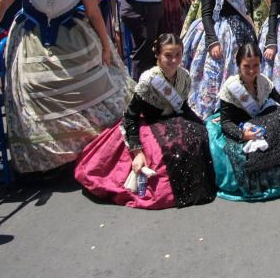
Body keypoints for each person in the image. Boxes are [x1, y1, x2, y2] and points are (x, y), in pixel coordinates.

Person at [0, 0, 131, 174]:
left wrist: (105, 45)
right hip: (31, 35)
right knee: (33, 89)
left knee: (85, 90)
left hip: (71, 35)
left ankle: (85, 149)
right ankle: (47, 160)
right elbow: (0, 3)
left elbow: (94, 14)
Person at [74, 33, 216, 209]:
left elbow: (183, 107)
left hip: (173, 120)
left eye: (177, 55)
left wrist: (202, 124)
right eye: (168, 55)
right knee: (166, 150)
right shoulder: (149, 80)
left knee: (198, 135)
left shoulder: (184, 77)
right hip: (148, 124)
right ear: (158, 56)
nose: (173, 60)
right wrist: (137, 151)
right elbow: (131, 116)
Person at [206, 43, 280, 201]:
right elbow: (226, 122)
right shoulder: (231, 88)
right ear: (238, 65)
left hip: (261, 121)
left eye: (255, 65)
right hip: (241, 125)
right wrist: (242, 135)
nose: (251, 70)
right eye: (246, 66)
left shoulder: (263, 82)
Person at [181, 0, 263, 119]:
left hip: (239, 31)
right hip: (218, 32)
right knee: (214, 70)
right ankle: (216, 107)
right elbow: (206, 14)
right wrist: (212, 40)